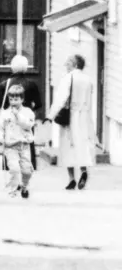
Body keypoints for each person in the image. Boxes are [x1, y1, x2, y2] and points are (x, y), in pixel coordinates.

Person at [50, 54, 98, 191]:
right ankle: (83, 171)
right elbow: (89, 101)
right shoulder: (88, 80)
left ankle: (71, 178)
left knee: (67, 146)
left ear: (75, 65)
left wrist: (51, 115)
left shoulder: (68, 78)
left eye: (69, 62)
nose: (66, 64)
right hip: (83, 116)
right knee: (81, 145)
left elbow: (61, 98)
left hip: (69, 117)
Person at [0, 55, 43, 173]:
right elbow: (38, 104)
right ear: (25, 68)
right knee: (27, 148)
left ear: (12, 67)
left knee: (10, 150)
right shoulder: (32, 84)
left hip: (10, 122)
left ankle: (12, 176)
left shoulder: (4, 85)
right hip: (25, 121)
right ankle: (26, 177)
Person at [0, 84, 36, 198]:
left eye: (16, 99)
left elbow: (28, 125)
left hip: (24, 145)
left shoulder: (28, 112)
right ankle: (13, 190)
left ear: (22, 99)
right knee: (14, 168)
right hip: (10, 146)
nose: (13, 101)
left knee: (27, 170)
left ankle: (24, 186)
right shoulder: (5, 113)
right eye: (11, 99)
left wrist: (18, 115)